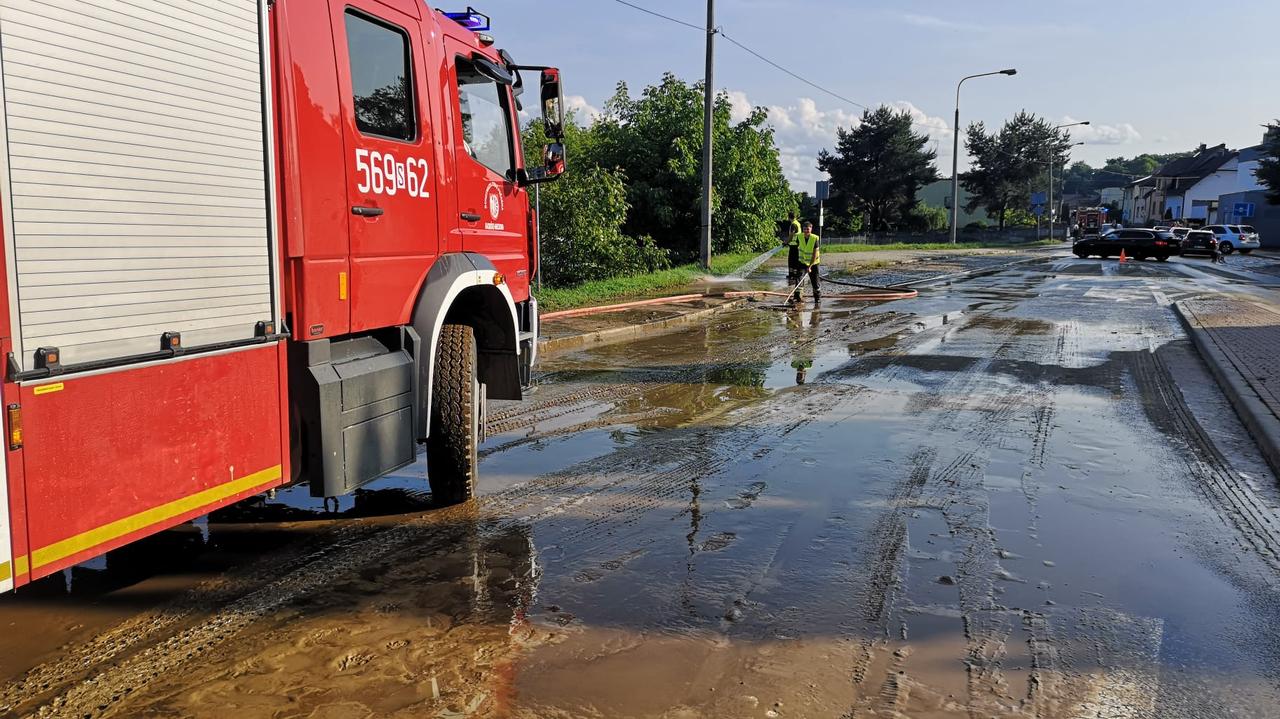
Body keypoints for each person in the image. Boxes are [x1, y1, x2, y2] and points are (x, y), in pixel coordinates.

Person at [790, 222, 821, 303]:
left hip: (813, 263)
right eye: (804, 229)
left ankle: (817, 298)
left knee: (815, 281)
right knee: (799, 279)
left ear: (811, 229)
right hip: (802, 262)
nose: (806, 231)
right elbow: (796, 249)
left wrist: (810, 266)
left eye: (808, 229)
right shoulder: (799, 237)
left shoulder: (815, 238)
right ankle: (797, 298)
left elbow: (815, 254)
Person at [784, 211, 802, 284]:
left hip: (794, 246)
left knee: (791, 261)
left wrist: (786, 242)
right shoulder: (797, 223)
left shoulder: (793, 225)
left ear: (789, 217)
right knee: (795, 261)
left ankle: (792, 275)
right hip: (797, 245)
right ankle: (794, 275)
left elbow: (791, 235)